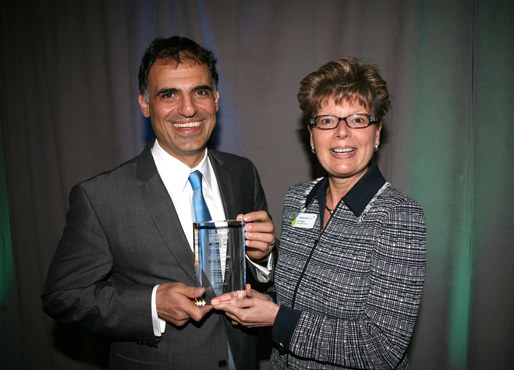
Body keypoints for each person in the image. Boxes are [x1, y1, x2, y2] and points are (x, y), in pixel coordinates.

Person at [42, 36, 276, 370]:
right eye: (169, 94)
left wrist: (263, 257)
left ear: (217, 99)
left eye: (200, 91)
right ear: (145, 104)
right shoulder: (100, 196)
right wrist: (152, 305)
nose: (188, 108)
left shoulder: (242, 172)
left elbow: (260, 277)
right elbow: (62, 296)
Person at [212, 57, 427, 369]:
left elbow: (382, 348)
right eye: (326, 120)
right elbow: (290, 294)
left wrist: (277, 320)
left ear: (377, 134)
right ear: (312, 137)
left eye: (357, 120)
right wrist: (261, 282)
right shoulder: (298, 199)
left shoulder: (399, 216)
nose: (341, 133)